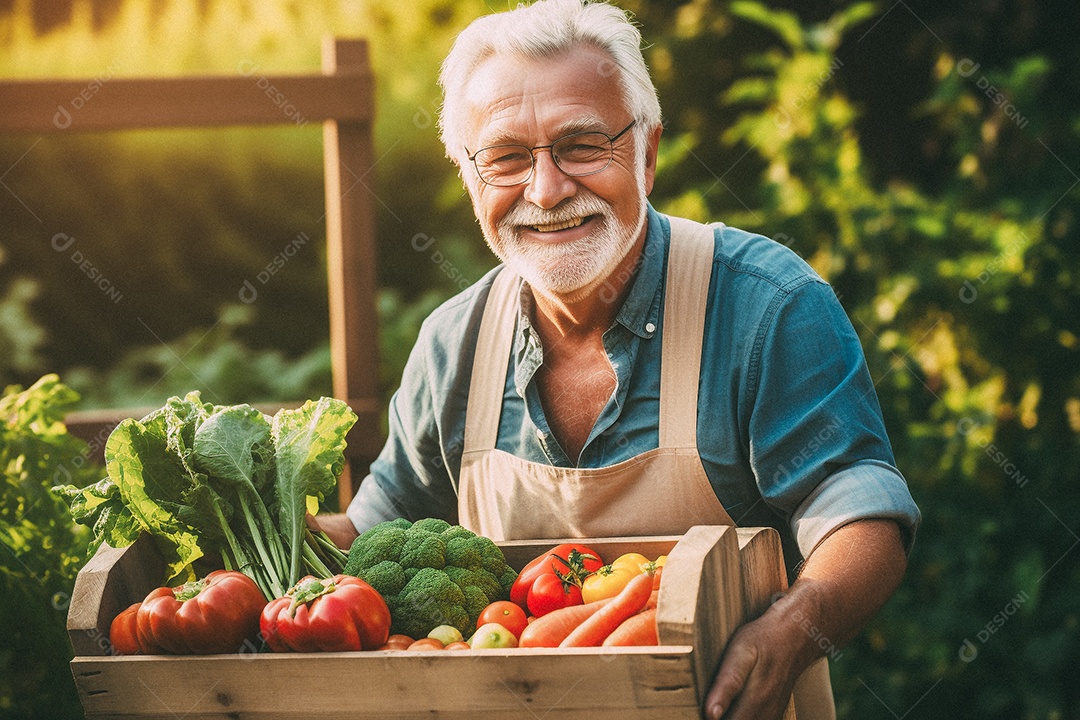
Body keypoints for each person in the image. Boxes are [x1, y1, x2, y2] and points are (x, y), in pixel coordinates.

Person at [312, 1, 920, 718]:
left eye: (581, 145)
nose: (546, 190)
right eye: (506, 157)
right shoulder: (453, 343)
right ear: (469, 176)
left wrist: (794, 626)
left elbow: (859, 511)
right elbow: (374, 537)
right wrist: (251, 524)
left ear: (647, 153)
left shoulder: (766, 306)